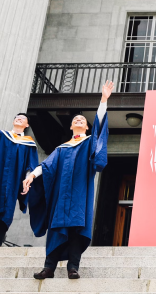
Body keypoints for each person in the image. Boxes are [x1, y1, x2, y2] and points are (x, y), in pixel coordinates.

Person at [22, 81, 113, 279]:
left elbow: (99, 130)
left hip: (80, 195)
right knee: (57, 229)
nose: (79, 120)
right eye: (76, 120)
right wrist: (31, 176)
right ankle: (49, 268)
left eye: (82, 120)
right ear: (71, 126)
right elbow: (47, 166)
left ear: (86, 127)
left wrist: (103, 100)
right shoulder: (61, 148)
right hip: (61, 197)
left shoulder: (89, 142)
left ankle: (73, 267)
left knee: (75, 230)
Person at [0, 114, 39, 245]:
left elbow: (30, 165)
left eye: (23, 118)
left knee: (5, 213)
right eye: (17, 117)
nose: (19, 118)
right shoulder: (2, 136)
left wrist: (28, 180)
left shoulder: (28, 143)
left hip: (11, 184)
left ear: (27, 125)